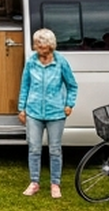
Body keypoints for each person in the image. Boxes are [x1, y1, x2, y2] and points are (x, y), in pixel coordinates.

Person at [19, 27, 78, 198]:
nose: (39, 48)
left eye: (42, 44)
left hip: (56, 113)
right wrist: (21, 108)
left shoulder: (61, 62)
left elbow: (72, 85)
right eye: (37, 44)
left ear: (51, 45)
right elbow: (25, 86)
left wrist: (69, 104)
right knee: (34, 148)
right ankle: (34, 182)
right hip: (33, 111)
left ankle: (55, 184)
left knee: (55, 149)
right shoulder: (31, 62)